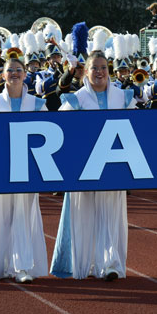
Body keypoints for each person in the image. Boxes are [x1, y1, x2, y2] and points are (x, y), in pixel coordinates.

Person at [50, 51, 136, 281]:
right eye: (94, 68)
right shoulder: (75, 99)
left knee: (111, 216)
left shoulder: (123, 97)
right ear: (85, 72)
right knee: (83, 215)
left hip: (114, 168)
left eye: (103, 67)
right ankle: (83, 264)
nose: (99, 72)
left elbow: (137, 126)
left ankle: (110, 264)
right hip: (83, 169)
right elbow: (59, 130)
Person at [0, 57, 49, 283]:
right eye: (10, 70)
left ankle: (22, 266)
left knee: (24, 216)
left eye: (19, 70)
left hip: (27, 170)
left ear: (26, 74)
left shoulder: (37, 104)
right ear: (2, 75)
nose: (15, 73)